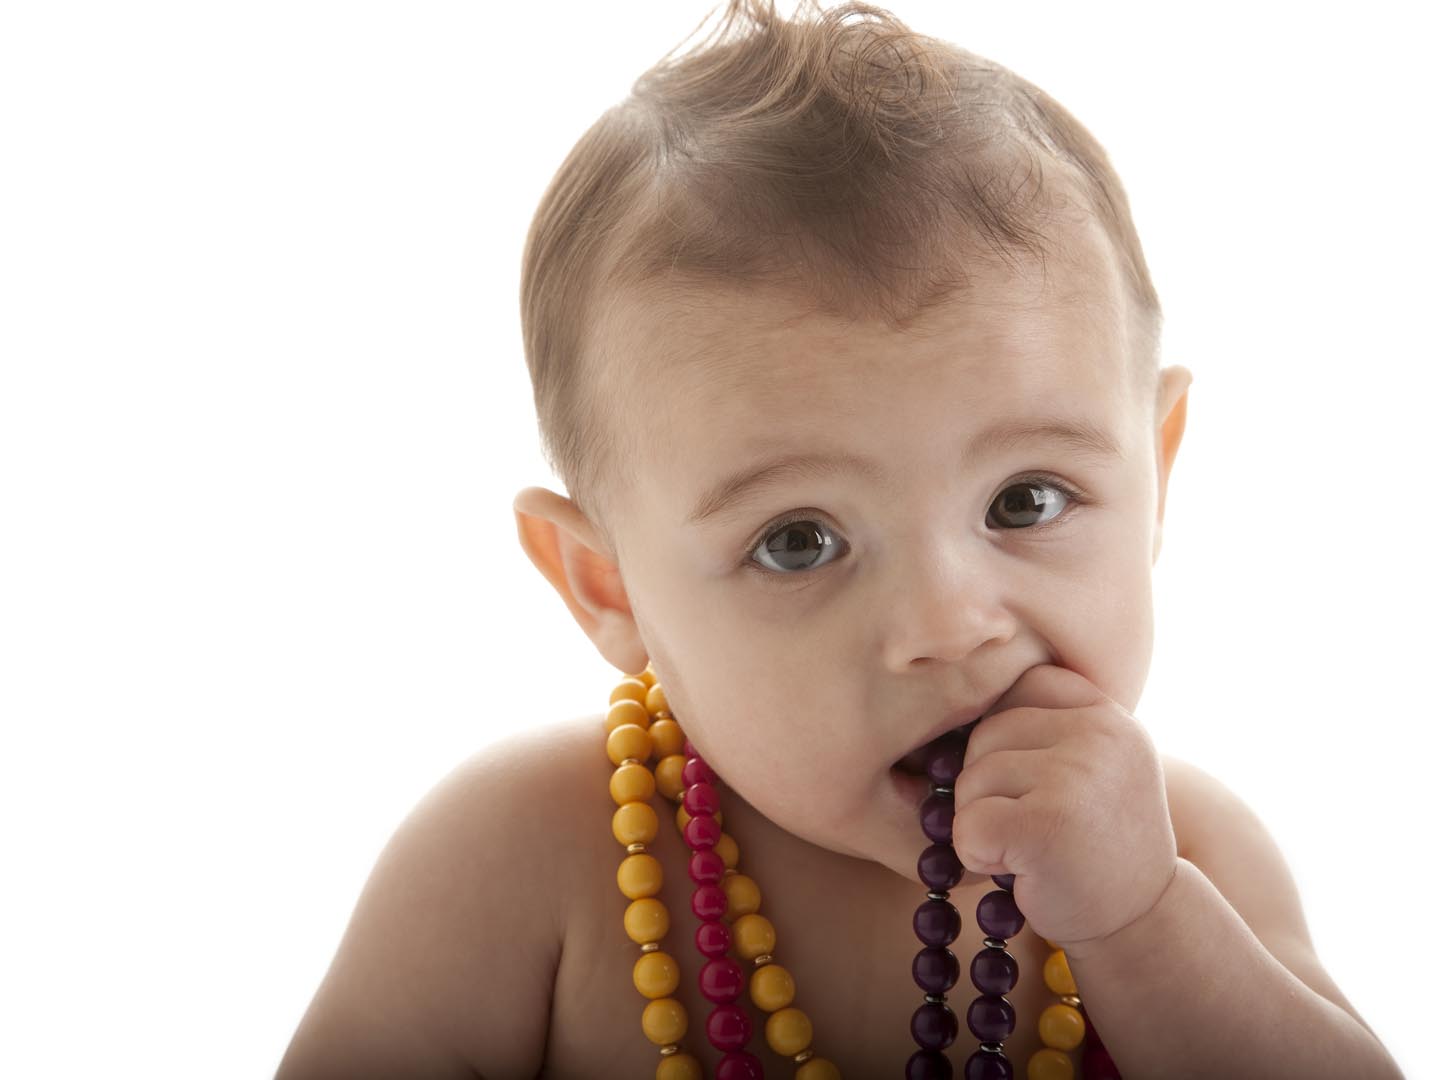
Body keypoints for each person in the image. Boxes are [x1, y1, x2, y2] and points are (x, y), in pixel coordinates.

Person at [277, 1, 1404, 1077]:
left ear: (1154, 476)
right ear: (605, 584)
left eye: (1025, 501)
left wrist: (1142, 922)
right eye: (800, 542)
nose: (948, 626)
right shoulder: (522, 860)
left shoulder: (1187, 854)